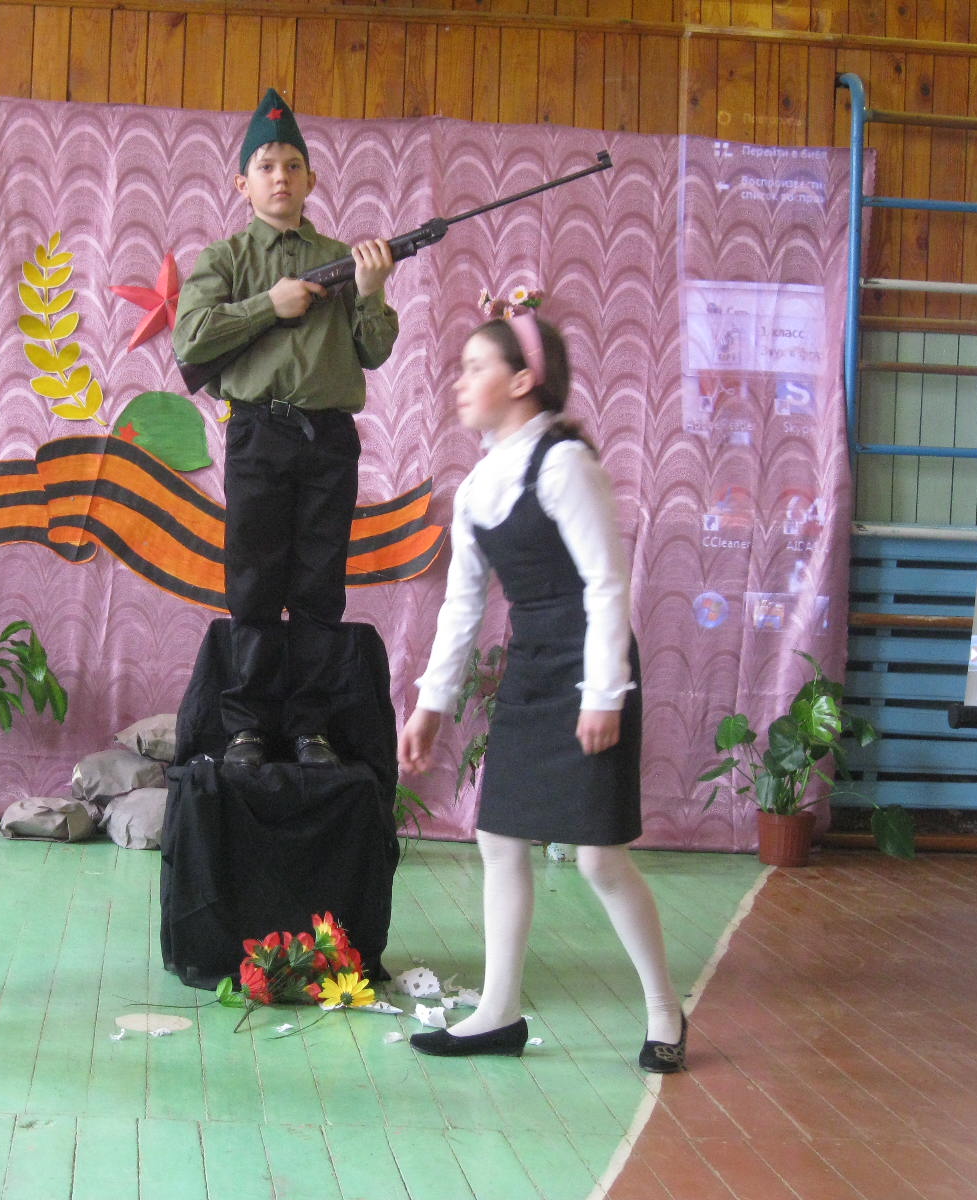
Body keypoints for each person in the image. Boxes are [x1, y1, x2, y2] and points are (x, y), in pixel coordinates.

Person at [396, 302, 687, 1072]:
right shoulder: (476, 488)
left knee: (599, 861)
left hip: (587, 664)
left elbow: (606, 584)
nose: (460, 382)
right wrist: (431, 704)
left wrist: (604, 693)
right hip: (530, 668)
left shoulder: (563, 464)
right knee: (498, 839)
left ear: (523, 380)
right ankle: (497, 1013)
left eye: (477, 367)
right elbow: (462, 607)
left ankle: (665, 1009)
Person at [173, 88, 399, 770]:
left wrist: (372, 290)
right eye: (266, 166)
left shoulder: (343, 256)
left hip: (329, 440)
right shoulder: (225, 261)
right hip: (257, 437)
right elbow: (192, 338)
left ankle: (310, 730)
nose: (281, 177)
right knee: (253, 585)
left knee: (320, 589)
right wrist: (268, 305)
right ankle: (246, 729)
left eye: (293, 166)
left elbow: (374, 351)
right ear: (241, 183)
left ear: (312, 180)